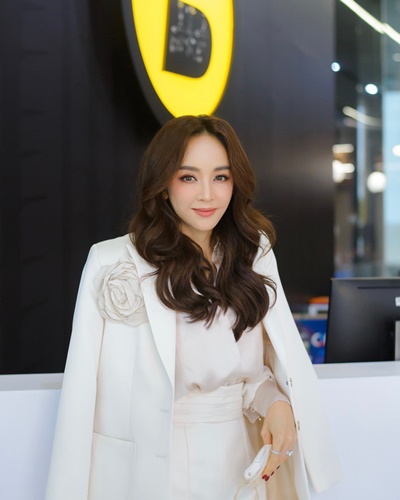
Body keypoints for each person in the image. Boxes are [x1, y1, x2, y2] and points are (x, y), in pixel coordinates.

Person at [45, 115, 341, 500]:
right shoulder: (112, 261)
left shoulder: (252, 254)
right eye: (188, 177)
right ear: (163, 185)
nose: (207, 194)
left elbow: (251, 370)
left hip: (236, 461)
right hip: (149, 469)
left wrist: (276, 403)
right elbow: (80, 390)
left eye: (221, 177)